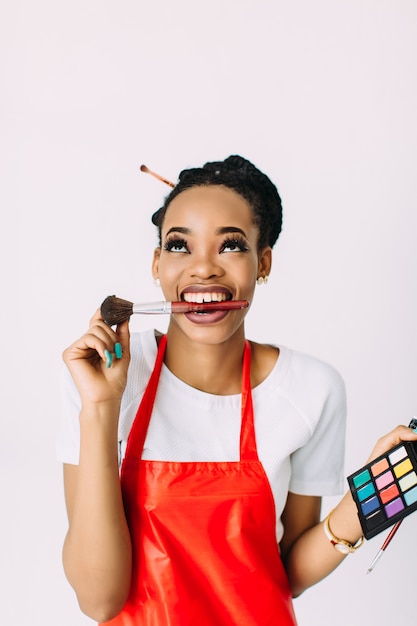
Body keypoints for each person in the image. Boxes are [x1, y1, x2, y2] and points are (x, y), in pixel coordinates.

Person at [58, 155, 417, 625]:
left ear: (262, 262)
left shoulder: (312, 389)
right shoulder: (98, 377)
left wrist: (368, 501)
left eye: (230, 245)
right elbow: (98, 599)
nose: (203, 270)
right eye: (179, 246)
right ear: (156, 263)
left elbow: (284, 574)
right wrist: (101, 408)